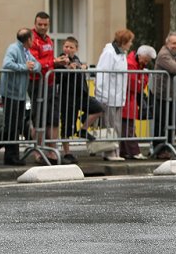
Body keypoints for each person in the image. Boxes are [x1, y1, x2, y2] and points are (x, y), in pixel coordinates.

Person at [54, 36, 104, 164]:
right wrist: (66, 67)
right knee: (66, 126)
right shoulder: (61, 59)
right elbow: (57, 76)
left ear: (76, 49)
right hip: (67, 98)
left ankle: (82, 129)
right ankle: (67, 153)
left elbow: (81, 65)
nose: (68, 49)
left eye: (71, 47)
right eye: (66, 46)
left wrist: (84, 66)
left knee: (98, 108)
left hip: (81, 95)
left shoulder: (76, 59)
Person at [30, 11, 70, 163]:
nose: (42, 27)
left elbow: (49, 60)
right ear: (35, 24)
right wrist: (54, 62)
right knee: (38, 117)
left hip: (50, 82)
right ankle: (38, 151)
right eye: (39, 24)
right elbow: (36, 62)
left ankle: (52, 150)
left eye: (45, 25)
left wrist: (58, 61)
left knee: (53, 117)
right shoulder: (32, 39)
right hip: (36, 81)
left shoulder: (49, 40)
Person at [0, 28, 41, 166]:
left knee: (17, 124)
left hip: (21, 94)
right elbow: (7, 64)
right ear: (28, 39)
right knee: (12, 125)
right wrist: (24, 67)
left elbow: (37, 65)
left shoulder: (26, 51)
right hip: (10, 93)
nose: (32, 41)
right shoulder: (14, 48)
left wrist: (32, 67)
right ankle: (11, 156)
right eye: (31, 39)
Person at [94, 28, 134, 161]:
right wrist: (101, 95)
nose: (131, 44)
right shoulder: (109, 53)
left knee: (115, 125)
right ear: (123, 41)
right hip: (109, 96)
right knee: (110, 125)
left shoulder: (121, 54)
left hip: (117, 96)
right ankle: (109, 152)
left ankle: (114, 151)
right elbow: (102, 73)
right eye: (129, 41)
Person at [121, 45, 156, 159]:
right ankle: (134, 151)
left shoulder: (134, 64)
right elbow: (135, 86)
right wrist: (144, 77)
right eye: (146, 60)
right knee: (129, 126)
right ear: (140, 56)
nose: (146, 63)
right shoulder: (132, 65)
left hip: (129, 99)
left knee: (125, 126)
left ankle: (125, 151)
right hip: (128, 99)